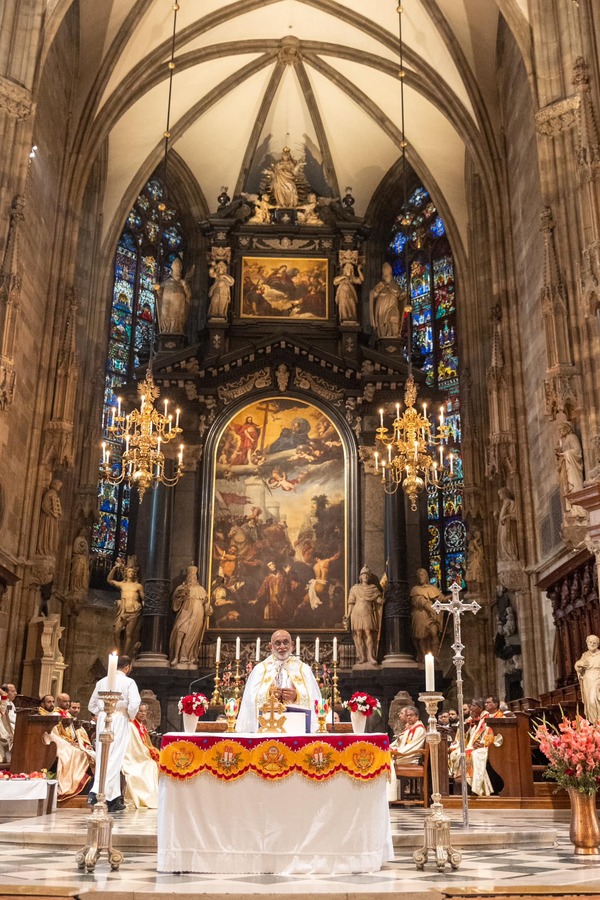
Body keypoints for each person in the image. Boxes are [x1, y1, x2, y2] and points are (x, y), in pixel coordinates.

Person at [236, 629, 321, 733]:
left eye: (286, 642)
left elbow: (313, 699)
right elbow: (250, 701)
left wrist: (296, 696)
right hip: (267, 727)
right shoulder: (260, 669)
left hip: (295, 727)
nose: (282, 647)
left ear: (292, 645)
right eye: (277, 643)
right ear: (270, 647)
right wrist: (269, 695)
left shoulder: (304, 669)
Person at [88, 655, 141, 812]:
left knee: (103, 755)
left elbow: (92, 705)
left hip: (104, 718)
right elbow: (135, 703)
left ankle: (113, 797)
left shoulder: (101, 682)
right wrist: (127, 712)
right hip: (118, 719)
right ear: (127, 667)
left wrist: (103, 711)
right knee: (114, 757)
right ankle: (99, 794)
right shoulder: (129, 682)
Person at [46, 691, 94, 800]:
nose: (67, 703)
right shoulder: (55, 714)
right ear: (58, 702)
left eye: (68, 701)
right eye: (64, 701)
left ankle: (85, 784)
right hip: (60, 744)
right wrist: (69, 743)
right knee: (77, 755)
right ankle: (74, 783)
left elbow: (73, 732)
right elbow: (56, 734)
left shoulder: (67, 714)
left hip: (70, 742)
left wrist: (78, 742)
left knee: (87, 753)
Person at [449, 698, 498, 797]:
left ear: (480, 708)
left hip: (486, 746)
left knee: (470, 755)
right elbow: (471, 735)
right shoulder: (477, 719)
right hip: (477, 745)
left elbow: (490, 733)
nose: (471, 708)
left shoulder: (485, 718)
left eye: (473, 706)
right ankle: (461, 779)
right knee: (458, 753)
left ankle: (475, 785)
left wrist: (482, 743)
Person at [169, 566, 213, 668]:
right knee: (179, 631)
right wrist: (180, 597)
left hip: (197, 614)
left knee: (191, 636)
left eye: (194, 577)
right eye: (190, 576)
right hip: (185, 611)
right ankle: (176, 656)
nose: (192, 578)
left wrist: (208, 609)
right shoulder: (181, 588)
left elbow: (205, 603)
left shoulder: (201, 590)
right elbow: (175, 603)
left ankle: (186, 658)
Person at [122, 703, 159, 809]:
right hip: (135, 758)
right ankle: (146, 797)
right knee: (149, 766)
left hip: (143, 754)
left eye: (145, 711)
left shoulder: (141, 725)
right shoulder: (131, 725)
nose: (143, 714)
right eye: (140, 711)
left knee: (153, 764)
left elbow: (145, 743)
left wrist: (151, 750)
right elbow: (134, 747)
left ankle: (153, 796)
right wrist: (149, 752)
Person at [387, 706, 426, 801]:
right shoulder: (410, 728)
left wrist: (398, 752)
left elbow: (414, 746)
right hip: (406, 755)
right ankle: (391, 794)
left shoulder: (419, 729)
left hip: (411, 757)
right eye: (407, 715)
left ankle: (391, 796)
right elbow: (402, 743)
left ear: (417, 716)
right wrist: (391, 748)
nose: (408, 717)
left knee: (387, 762)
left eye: (411, 715)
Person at [346, 566, 383, 665]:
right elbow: (351, 602)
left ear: (369, 577)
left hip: (367, 612)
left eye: (367, 575)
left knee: (368, 633)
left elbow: (378, 601)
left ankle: (370, 656)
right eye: (363, 574)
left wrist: (384, 598)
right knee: (358, 634)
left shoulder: (373, 588)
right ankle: (362, 656)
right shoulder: (355, 588)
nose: (365, 576)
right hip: (356, 612)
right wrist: (348, 614)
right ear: (360, 577)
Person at [108, 561, 144, 658]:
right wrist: (114, 568)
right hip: (123, 611)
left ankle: (125, 654)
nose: (131, 573)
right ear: (126, 573)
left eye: (132, 572)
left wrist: (141, 605)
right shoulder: (122, 585)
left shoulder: (138, 586)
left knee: (129, 634)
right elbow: (109, 580)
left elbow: (143, 599)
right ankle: (118, 651)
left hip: (134, 612)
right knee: (116, 631)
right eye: (129, 572)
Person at [410, 568, 443, 661]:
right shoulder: (415, 589)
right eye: (419, 575)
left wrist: (454, 594)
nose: (420, 577)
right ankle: (423, 656)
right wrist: (432, 610)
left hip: (431, 615)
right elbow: (420, 602)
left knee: (434, 633)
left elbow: (441, 599)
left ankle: (435, 655)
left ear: (427, 576)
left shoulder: (433, 588)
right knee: (421, 637)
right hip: (420, 614)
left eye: (422, 575)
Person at [369, 261, 406, 338]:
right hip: (382, 307)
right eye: (385, 273)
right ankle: (384, 335)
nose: (386, 275)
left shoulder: (395, 285)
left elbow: (400, 294)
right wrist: (375, 292)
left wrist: (404, 295)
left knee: (394, 317)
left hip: (392, 305)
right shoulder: (380, 285)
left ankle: (394, 335)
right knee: (383, 323)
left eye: (388, 273)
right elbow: (373, 294)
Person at [156, 257, 192, 334]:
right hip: (167, 306)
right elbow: (159, 293)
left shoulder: (183, 283)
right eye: (176, 270)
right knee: (166, 317)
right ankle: (166, 328)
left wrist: (185, 285)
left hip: (178, 307)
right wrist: (157, 288)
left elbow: (189, 296)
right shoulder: (166, 282)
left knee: (176, 320)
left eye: (179, 270)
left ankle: (175, 329)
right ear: (172, 271)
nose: (177, 271)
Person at [556, 423, 586, 517]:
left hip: (573, 467)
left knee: (574, 485)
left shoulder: (572, 437)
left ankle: (579, 509)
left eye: (561, 429)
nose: (560, 432)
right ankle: (572, 508)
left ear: (566, 428)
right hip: (567, 467)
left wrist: (565, 454)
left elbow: (577, 451)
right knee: (567, 489)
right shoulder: (565, 440)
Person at [575, 635, 600, 723]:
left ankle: (598, 722)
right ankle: (594, 724)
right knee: (589, 702)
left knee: (594, 700)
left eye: (595, 643)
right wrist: (578, 665)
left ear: (598, 644)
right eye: (590, 642)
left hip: (597, 678)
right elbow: (578, 667)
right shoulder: (585, 655)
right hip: (586, 681)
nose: (592, 644)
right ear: (587, 643)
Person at [37, 479, 63, 557]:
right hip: (47, 518)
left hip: (52, 519)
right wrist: (51, 513)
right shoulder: (49, 493)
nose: (59, 487)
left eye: (60, 486)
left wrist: (58, 514)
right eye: (58, 485)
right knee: (46, 532)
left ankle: (48, 549)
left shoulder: (54, 494)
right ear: (54, 484)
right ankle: (43, 548)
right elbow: (44, 505)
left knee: (51, 534)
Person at [497, 487, 518, 561]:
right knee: (503, 542)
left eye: (500, 494)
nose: (499, 495)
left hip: (509, 527)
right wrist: (498, 515)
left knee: (507, 541)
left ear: (505, 493)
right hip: (502, 527)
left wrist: (506, 517)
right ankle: (506, 558)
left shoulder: (511, 503)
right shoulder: (504, 504)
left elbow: (516, 516)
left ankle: (511, 557)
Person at [0, 683, 17, 763]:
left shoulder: (9, 702)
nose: (15, 693)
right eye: (13, 691)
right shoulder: (3, 700)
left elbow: (5, 713)